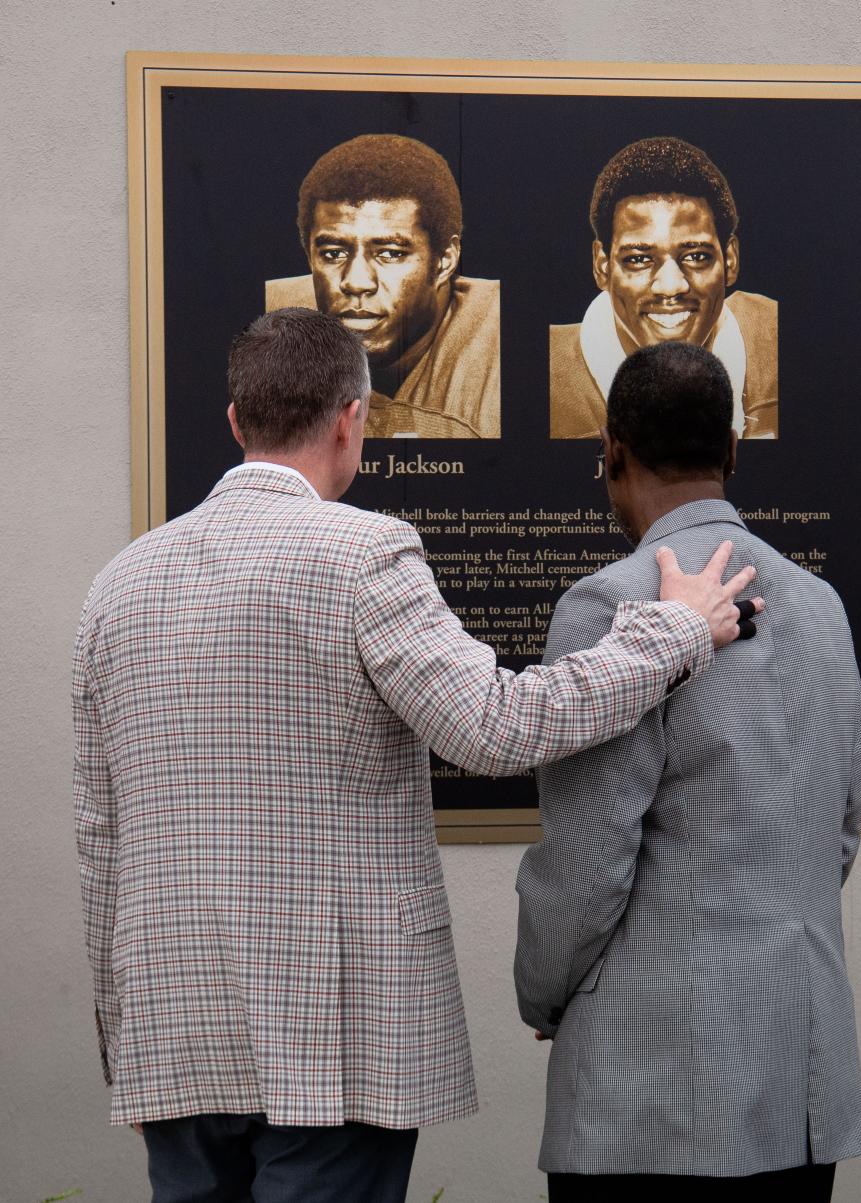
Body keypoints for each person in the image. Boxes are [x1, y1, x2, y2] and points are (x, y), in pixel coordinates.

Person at [73, 308, 762, 1203]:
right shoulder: (365, 552)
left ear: (237, 422)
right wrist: (673, 632)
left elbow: (100, 836)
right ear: (352, 417)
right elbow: (497, 726)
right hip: (333, 1033)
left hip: (173, 1027)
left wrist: (123, 1038)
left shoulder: (117, 584)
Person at [516, 341, 861, 1201]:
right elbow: (842, 831)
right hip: (799, 1070)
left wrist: (541, 990)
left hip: (655, 1085)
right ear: (734, 452)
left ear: (613, 453)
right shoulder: (823, 607)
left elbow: (585, 863)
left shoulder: (608, 604)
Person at [266, 133, 500, 439]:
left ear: (444, 261)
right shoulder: (271, 325)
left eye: (390, 254)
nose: (356, 282)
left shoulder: (501, 352)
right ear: (309, 256)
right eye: (333, 253)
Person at [550, 136, 778, 441]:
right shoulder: (546, 375)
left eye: (696, 257)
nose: (671, 286)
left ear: (731, 260)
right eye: (639, 259)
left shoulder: (774, 338)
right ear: (602, 266)